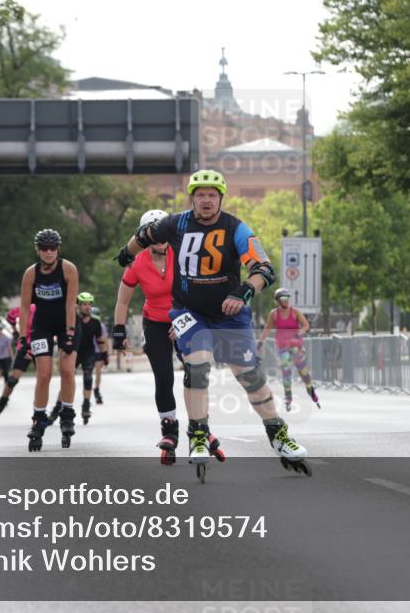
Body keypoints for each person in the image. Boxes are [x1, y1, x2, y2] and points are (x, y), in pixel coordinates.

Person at [115, 170, 310, 480]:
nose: (206, 201)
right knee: (197, 365)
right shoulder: (175, 223)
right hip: (188, 311)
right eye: (200, 195)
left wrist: (245, 291)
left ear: (221, 198)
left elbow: (264, 269)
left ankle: (278, 433)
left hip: (229, 314)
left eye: (212, 195)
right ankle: (197, 432)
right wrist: (127, 253)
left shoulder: (236, 228)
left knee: (249, 375)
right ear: (192, 198)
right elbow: (143, 236)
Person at [114, 208, 184, 464]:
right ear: (144, 237)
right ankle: (169, 431)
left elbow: (197, 291)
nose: (159, 239)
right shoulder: (137, 263)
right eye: (153, 235)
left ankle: (201, 426)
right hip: (154, 322)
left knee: (194, 372)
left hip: (184, 318)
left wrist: (184, 321)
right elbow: (123, 301)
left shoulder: (181, 254)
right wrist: (118, 331)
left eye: (162, 233)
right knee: (164, 378)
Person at [19, 229, 80, 451]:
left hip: (67, 323)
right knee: (43, 374)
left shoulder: (68, 269)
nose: (48, 252)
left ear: (58, 249)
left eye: (52, 248)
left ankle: (67, 413)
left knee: (66, 370)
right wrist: (22, 337)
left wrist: (71, 333)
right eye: (43, 248)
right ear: (37, 250)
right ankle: (38, 418)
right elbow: (25, 307)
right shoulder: (31, 274)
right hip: (42, 325)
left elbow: (70, 304)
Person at [258, 288, 320, 411]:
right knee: (286, 372)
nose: (286, 301)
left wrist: (300, 332)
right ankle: (288, 396)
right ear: (277, 301)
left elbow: (306, 325)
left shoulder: (295, 312)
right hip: (282, 347)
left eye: (287, 298)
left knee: (303, 372)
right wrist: (260, 343)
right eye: (283, 299)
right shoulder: (274, 314)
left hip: (296, 347)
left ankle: (310, 388)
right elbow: (267, 329)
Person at [0, 303, 36, 423]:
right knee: (13, 379)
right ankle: (1, 404)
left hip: (40, 346)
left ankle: (39, 411)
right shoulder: (28, 307)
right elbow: (10, 316)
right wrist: (15, 331)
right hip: (24, 346)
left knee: (43, 379)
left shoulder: (48, 307)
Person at [74, 293, 108, 425]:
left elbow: (100, 340)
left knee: (88, 378)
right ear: (78, 305)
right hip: (74, 352)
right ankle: (59, 407)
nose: (87, 307)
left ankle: (86, 405)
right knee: (67, 377)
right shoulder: (73, 319)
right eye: (84, 304)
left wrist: (105, 355)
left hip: (88, 353)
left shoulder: (96, 321)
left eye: (89, 304)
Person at [90, 306, 108, 404]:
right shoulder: (100, 325)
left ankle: (96, 390)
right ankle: (95, 390)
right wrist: (106, 354)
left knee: (96, 372)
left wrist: (105, 355)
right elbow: (104, 341)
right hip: (92, 351)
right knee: (96, 372)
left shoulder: (101, 325)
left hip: (96, 351)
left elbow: (104, 340)